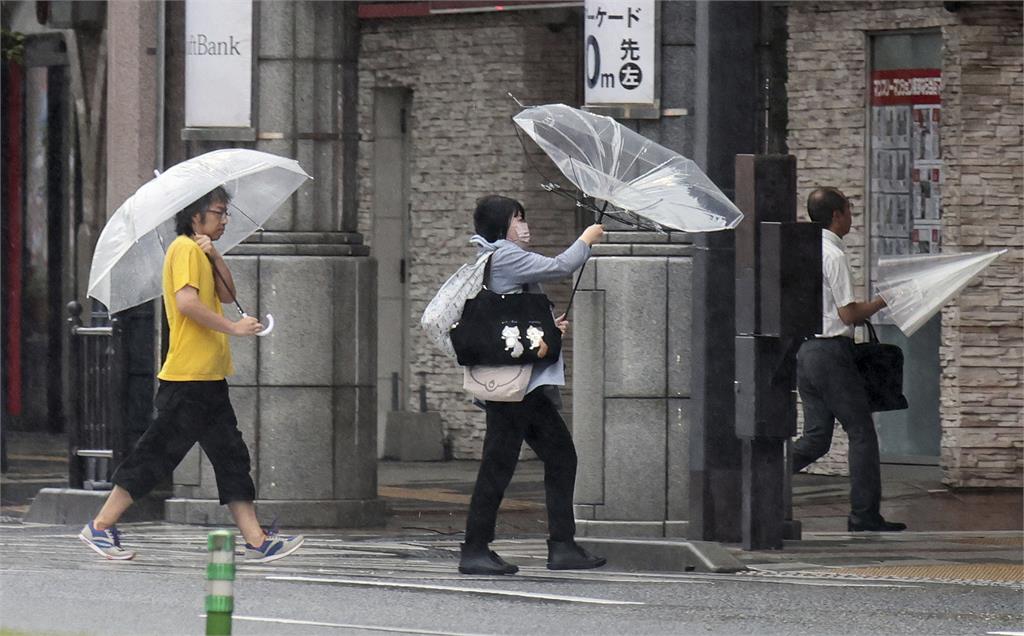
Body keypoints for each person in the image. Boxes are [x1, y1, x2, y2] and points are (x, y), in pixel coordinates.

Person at [79, 186, 305, 562]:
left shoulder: (199, 250)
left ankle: (256, 539)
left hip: (209, 379)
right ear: (195, 215)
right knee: (155, 456)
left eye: (225, 213)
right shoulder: (183, 249)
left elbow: (228, 293)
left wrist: (215, 253)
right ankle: (100, 527)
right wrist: (233, 328)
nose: (225, 220)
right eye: (218, 213)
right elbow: (186, 303)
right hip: (188, 379)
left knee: (231, 456)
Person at [459, 195, 607, 575]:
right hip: (516, 387)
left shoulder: (499, 256)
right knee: (499, 464)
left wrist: (548, 329)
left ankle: (562, 545)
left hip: (527, 384)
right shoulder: (504, 255)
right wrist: (587, 237)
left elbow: (518, 315)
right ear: (500, 226)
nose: (524, 225)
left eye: (523, 217)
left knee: (560, 456)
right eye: (517, 218)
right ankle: (475, 548)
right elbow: (561, 266)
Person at [792, 187, 906, 532]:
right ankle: (864, 515)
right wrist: (884, 301)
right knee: (861, 433)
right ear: (837, 215)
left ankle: (754, 478)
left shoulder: (804, 249)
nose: (852, 216)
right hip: (830, 354)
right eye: (849, 209)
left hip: (806, 352)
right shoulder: (834, 256)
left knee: (816, 438)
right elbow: (848, 314)